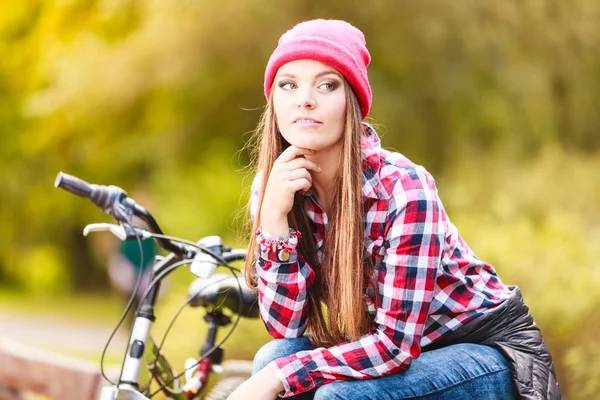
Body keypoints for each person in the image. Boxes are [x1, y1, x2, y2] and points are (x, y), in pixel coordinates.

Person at [228, 19, 561, 400]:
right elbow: (286, 329)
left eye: (327, 85)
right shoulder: (275, 189)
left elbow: (395, 347)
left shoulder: (404, 188)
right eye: (288, 84)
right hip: (406, 352)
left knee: (334, 395)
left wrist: (276, 380)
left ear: (351, 101)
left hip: (488, 351)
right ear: (274, 101)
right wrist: (273, 222)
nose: (305, 99)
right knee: (274, 356)